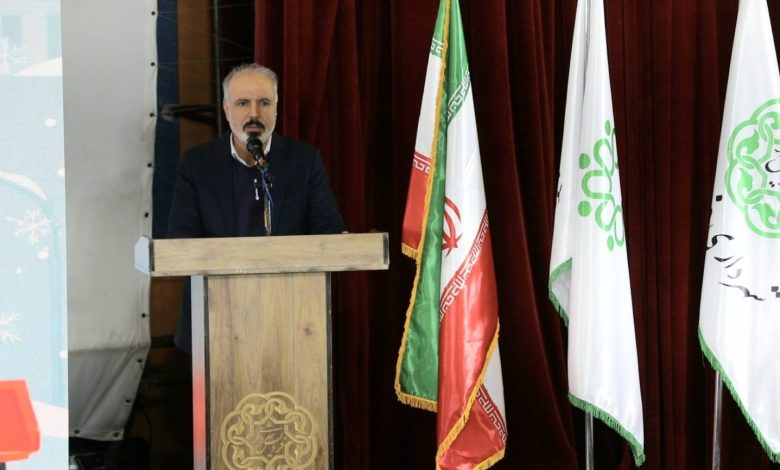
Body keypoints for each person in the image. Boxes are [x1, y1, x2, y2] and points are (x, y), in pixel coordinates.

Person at [167, 63, 346, 353]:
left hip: (292, 323)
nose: (254, 114)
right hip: (216, 322)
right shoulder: (197, 164)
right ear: (226, 109)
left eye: (264, 103)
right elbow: (180, 240)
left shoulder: (304, 161)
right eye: (243, 103)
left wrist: (344, 242)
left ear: (276, 108)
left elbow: (329, 230)